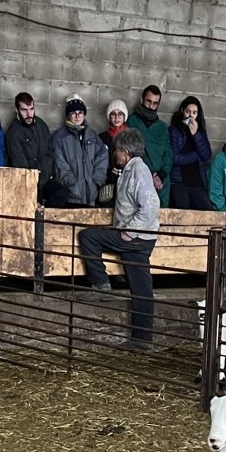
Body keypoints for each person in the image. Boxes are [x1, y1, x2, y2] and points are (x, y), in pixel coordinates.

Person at [76, 128, 160, 349]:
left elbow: (150, 207)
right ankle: (142, 341)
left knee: (88, 237)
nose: (115, 154)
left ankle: (101, 284)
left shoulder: (139, 171)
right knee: (141, 289)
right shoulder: (130, 169)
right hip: (140, 237)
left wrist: (129, 231)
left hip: (137, 236)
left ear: (125, 152)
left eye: (117, 151)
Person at [51, 94, 108, 207]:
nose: (77, 116)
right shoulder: (59, 137)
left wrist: (96, 182)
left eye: (80, 112)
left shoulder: (93, 136)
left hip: (91, 197)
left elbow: (102, 158)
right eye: (73, 113)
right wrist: (73, 183)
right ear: (68, 115)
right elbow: (60, 164)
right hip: (71, 198)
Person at [4, 92, 57, 205]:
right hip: (26, 183)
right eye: (24, 110)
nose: (29, 114)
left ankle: (43, 210)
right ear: (17, 110)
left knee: (62, 193)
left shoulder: (41, 125)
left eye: (31, 109)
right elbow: (19, 164)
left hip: (45, 179)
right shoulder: (13, 133)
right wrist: (34, 187)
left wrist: (48, 175)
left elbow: (49, 153)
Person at [124, 85, 172, 205]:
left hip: (160, 181)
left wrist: (161, 175)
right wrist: (146, 174)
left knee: (161, 217)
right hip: (138, 177)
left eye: (155, 103)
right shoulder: (131, 122)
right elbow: (129, 152)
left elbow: (168, 154)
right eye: (148, 101)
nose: (151, 106)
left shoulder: (162, 128)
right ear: (142, 100)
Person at [168, 96, 212, 210]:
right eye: (188, 112)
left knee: (207, 210)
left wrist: (195, 134)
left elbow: (207, 155)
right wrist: (196, 155)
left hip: (197, 181)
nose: (191, 116)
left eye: (194, 113)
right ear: (183, 111)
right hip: (179, 181)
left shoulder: (200, 131)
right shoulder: (174, 130)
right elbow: (174, 158)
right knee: (181, 210)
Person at [98, 99, 129, 206]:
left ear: (124, 117)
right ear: (109, 117)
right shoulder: (102, 138)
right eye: (113, 114)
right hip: (108, 185)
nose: (117, 118)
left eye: (120, 114)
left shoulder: (130, 137)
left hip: (127, 184)